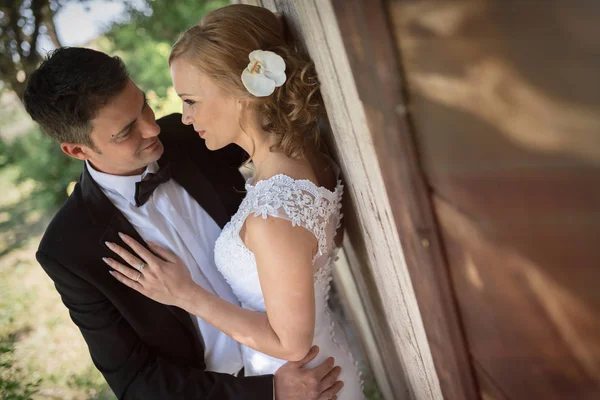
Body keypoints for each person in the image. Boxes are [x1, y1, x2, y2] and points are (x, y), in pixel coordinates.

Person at [23, 45, 343, 399]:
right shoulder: (69, 249)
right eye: (126, 131)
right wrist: (266, 392)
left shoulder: (191, 135)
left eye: (143, 104)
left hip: (313, 355)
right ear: (77, 150)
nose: (151, 128)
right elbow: (136, 382)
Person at [104, 4, 364, 399]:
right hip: (318, 363)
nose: (184, 118)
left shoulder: (274, 213)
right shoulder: (304, 156)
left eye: (190, 100)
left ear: (242, 92)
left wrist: (184, 294)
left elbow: (291, 343)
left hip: (308, 382)